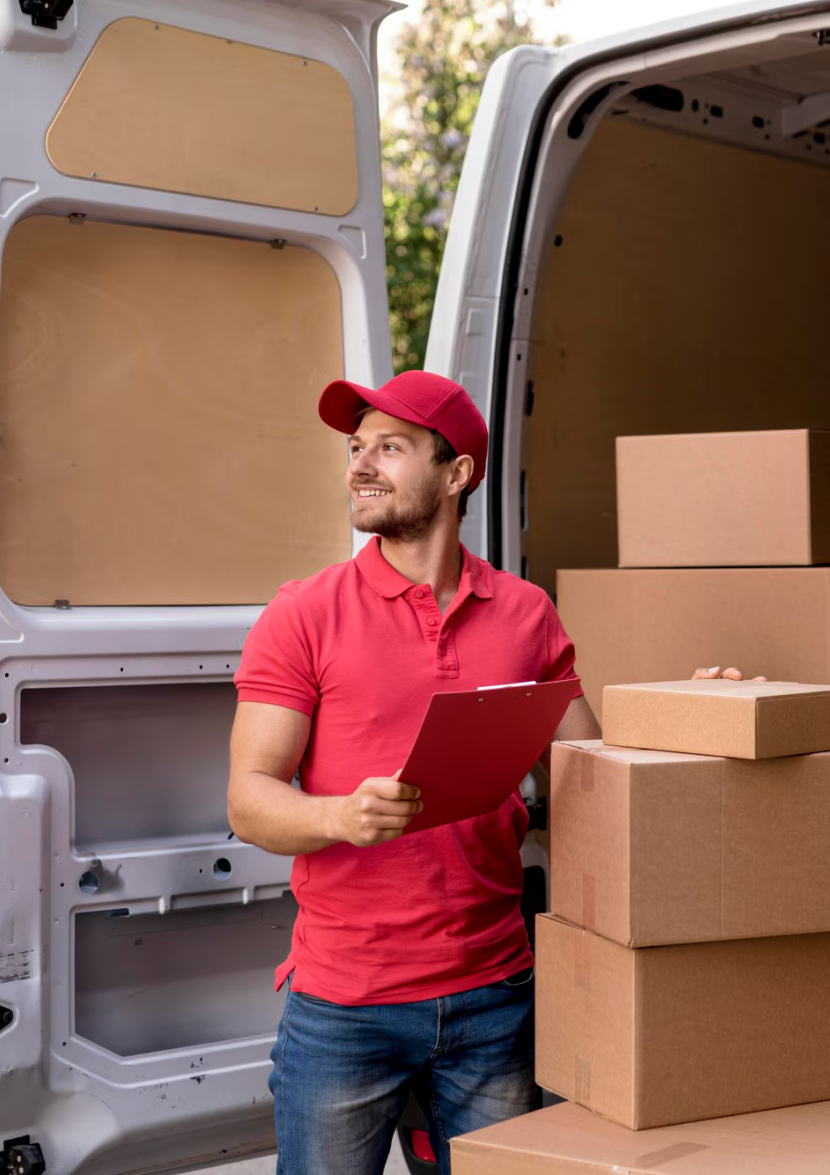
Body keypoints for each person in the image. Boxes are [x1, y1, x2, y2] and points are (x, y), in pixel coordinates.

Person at [226, 371, 599, 1174]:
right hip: (344, 1008)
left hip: (494, 995)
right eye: (356, 448)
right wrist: (339, 817)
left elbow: (591, 774)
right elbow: (249, 801)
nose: (360, 464)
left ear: (457, 471)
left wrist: (693, 711)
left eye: (389, 448)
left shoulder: (527, 613)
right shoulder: (304, 612)